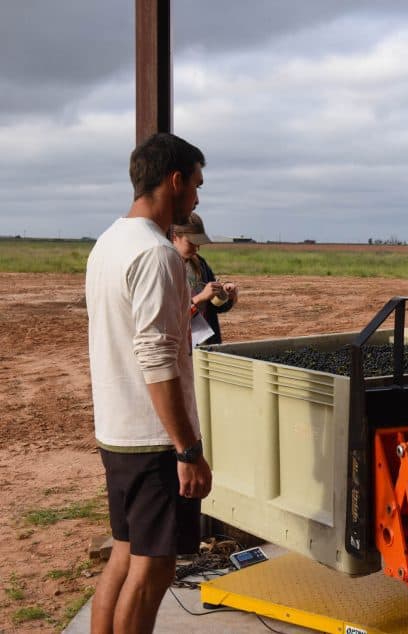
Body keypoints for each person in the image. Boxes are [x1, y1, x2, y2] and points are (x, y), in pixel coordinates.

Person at [85, 132, 212, 634]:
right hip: (153, 440)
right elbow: (158, 359)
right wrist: (186, 449)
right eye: (197, 185)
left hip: (117, 433)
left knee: (124, 555)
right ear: (174, 181)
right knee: (153, 567)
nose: (198, 198)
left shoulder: (108, 243)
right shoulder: (157, 254)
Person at [171, 212, 239, 345]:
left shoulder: (200, 264)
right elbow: (169, 318)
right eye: (192, 242)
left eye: (199, 243)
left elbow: (215, 307)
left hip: (206, 345)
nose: (197, 248)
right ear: (174, 237)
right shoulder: (164, 269)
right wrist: (201, 297)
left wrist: (225, 294)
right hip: (180, 348)